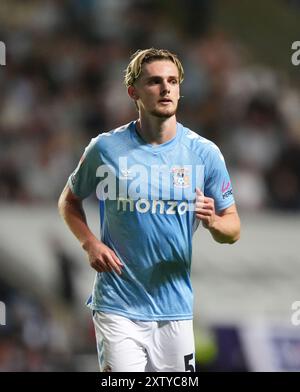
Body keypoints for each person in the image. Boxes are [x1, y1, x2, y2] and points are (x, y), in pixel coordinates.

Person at [58, 48, 240, 372]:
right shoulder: (105, 149)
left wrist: (213, 221)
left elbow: (233, 230)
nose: (166, 88)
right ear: (134, 92)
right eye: (155, 81)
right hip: (118, 305)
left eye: (172, 81)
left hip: (175, 310)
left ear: (181, 89)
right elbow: (69, 201)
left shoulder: (204, 153)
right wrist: (90, 243)